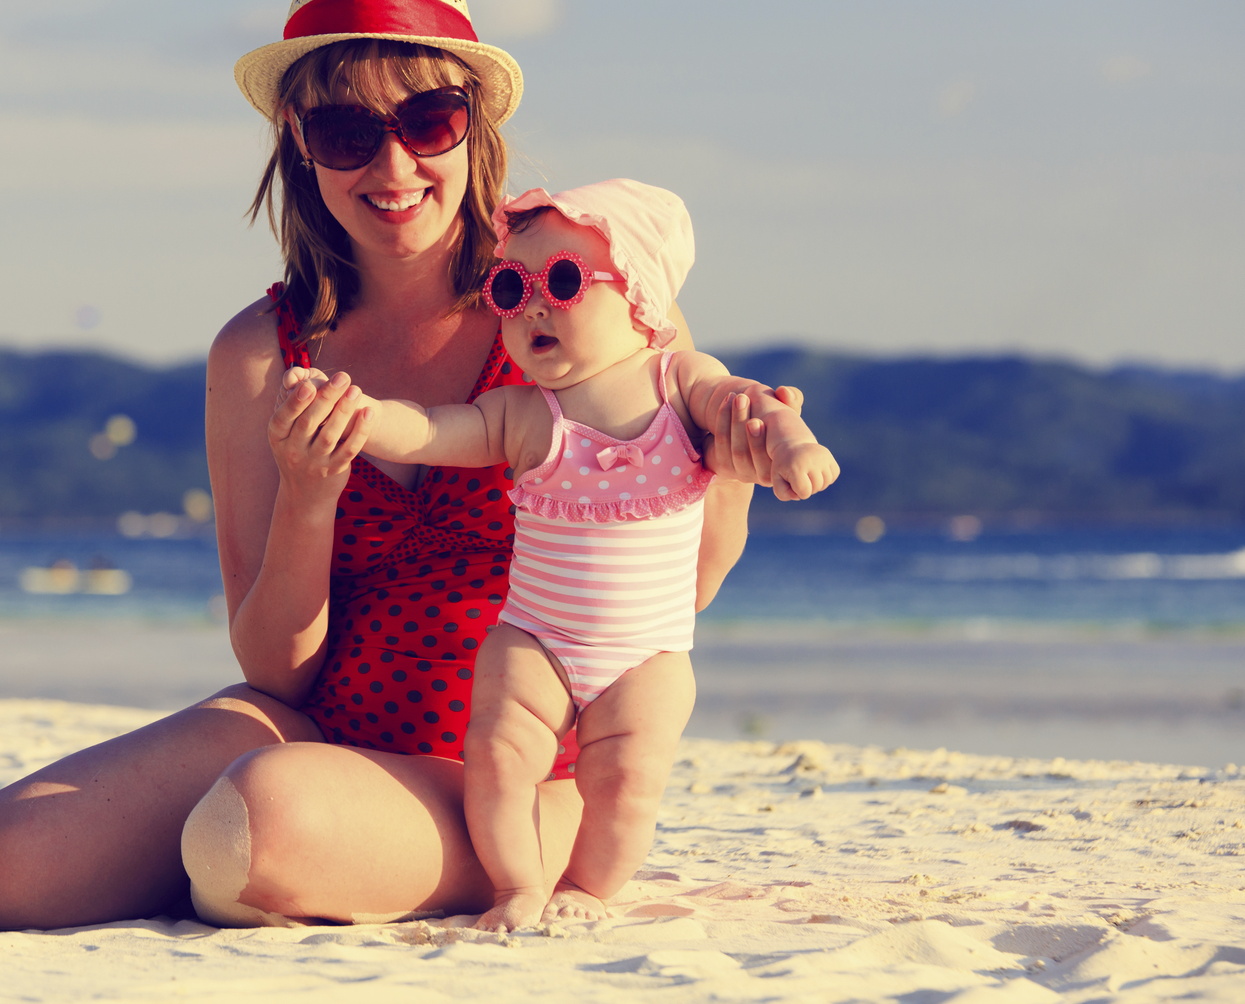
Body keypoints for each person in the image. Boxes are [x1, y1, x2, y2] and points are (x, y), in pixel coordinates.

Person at [0, 0, 805, 931]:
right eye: (346, 133)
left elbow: (686, 571)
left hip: (522, 754)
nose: (391, 163)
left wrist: (737, 454)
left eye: (427, 119)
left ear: (474, 124)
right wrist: (309, 495)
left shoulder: (579, 309)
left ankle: (439, 847)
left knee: (252, 828)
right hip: (317, 720)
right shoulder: (258, 356)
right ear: (299, 146)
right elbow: (275, 667)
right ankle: (323, 853)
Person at [288, 180, 838, 930]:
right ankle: (516, 885)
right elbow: (429, 430)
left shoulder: (680, 381)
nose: (533, 305)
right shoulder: (523, 414)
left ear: (640, 298)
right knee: (497, 750)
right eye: (511, 288)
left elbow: (752, 409)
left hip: (644, 652)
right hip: (534, 636)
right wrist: (360, 414)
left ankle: (585, 885)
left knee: (627, 780)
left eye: (566, 281)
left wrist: (793, 445)